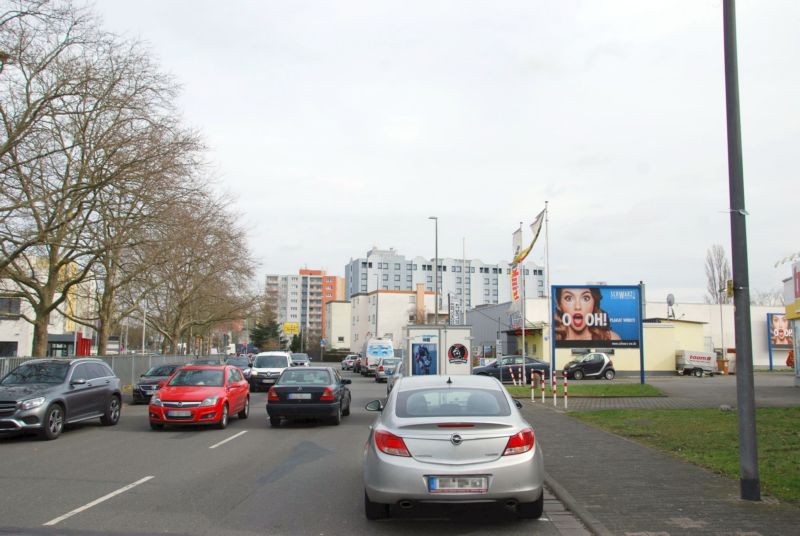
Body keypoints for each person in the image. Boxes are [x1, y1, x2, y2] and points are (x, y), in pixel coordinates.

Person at [554, 287, 621, 342]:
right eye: (569, 298)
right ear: (559, 304)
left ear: (594, 302)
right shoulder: (552, 339)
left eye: (586, 298)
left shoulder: (611, 339)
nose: (578, 307)